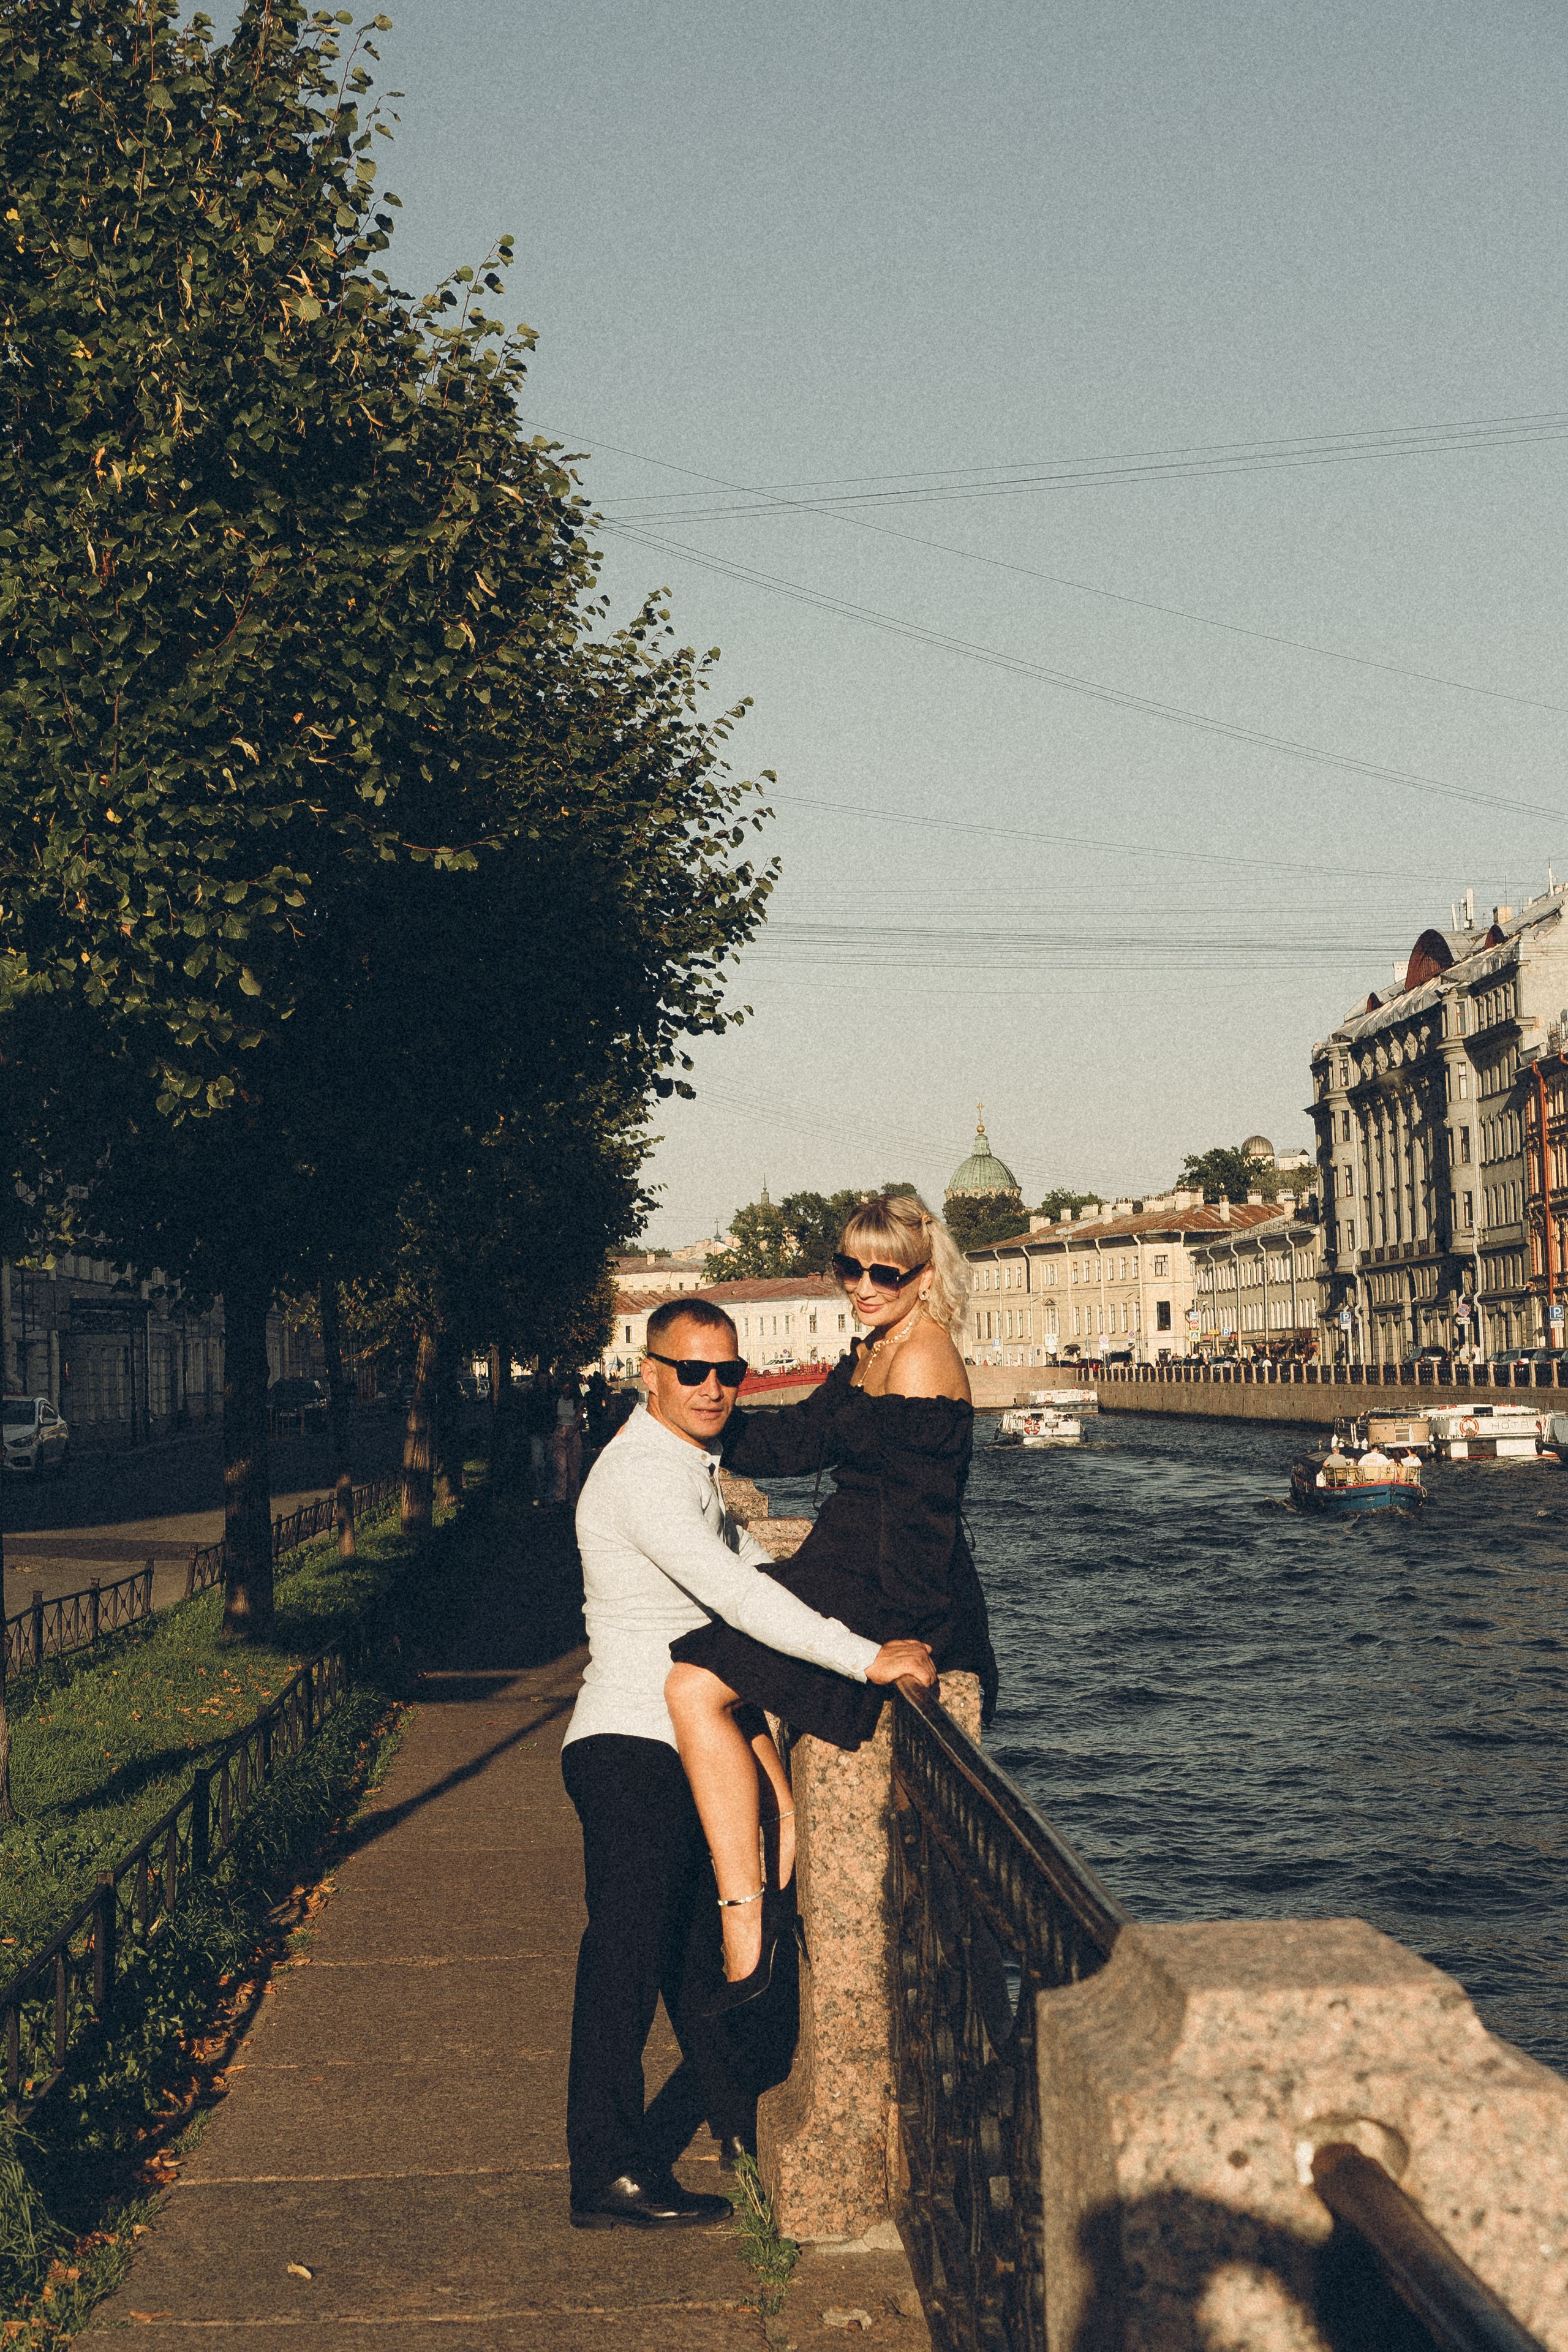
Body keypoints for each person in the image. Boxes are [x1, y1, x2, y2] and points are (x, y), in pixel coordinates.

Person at [564, 1296, 935, 2231]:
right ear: (649, 1372)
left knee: (696, 1956)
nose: (714, 1388)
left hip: (676, 1739)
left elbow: (756, 1593)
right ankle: (603, 2168)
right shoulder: (646, 1475)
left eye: (730, 1372)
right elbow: (738, 1598)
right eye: (693, 1371)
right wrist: (864, 1659)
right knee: (628, 1955)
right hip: (631, 1743)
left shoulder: (692, 1465)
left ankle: (737, 2128)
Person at [665, 1192, 997, 2003]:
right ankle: (777, 1848)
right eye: (850, 1266)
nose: (864, 1284)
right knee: (700, 1661)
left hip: (890, 1586)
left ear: (925, 1274)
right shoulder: (870, 1348)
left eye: (887, 1270)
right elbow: (802, 1440)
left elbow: (926, 1519)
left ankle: (748, 1919)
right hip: (840, 1563)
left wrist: (908, 1637)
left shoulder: (922, 1358)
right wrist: (701, 1409)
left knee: (696, 1685)